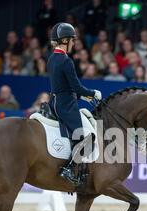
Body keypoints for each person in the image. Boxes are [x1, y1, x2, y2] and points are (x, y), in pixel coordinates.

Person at [47, 22, 102, 185]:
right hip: (65, 105)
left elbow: (63, 85)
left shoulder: (51, 59)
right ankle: (70, 168)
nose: (73, 42)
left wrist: (81, 97)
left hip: (55, 101)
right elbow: (76, 86)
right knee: (86, 136)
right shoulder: (66, 61)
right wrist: (92, 93)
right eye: (72, 39)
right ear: (65, 40)